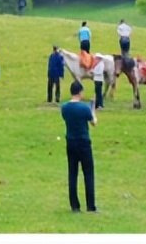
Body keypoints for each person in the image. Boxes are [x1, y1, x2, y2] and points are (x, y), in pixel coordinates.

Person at [61, 80, 99, 212]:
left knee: (72, 173)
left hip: (70, 142)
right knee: (88, 173)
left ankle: (74, 206)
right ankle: (91, 205)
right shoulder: (84, 108)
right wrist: (92, 109)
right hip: (83, 142)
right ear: (80, 92)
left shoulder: (64, 108)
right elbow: (94, 122)